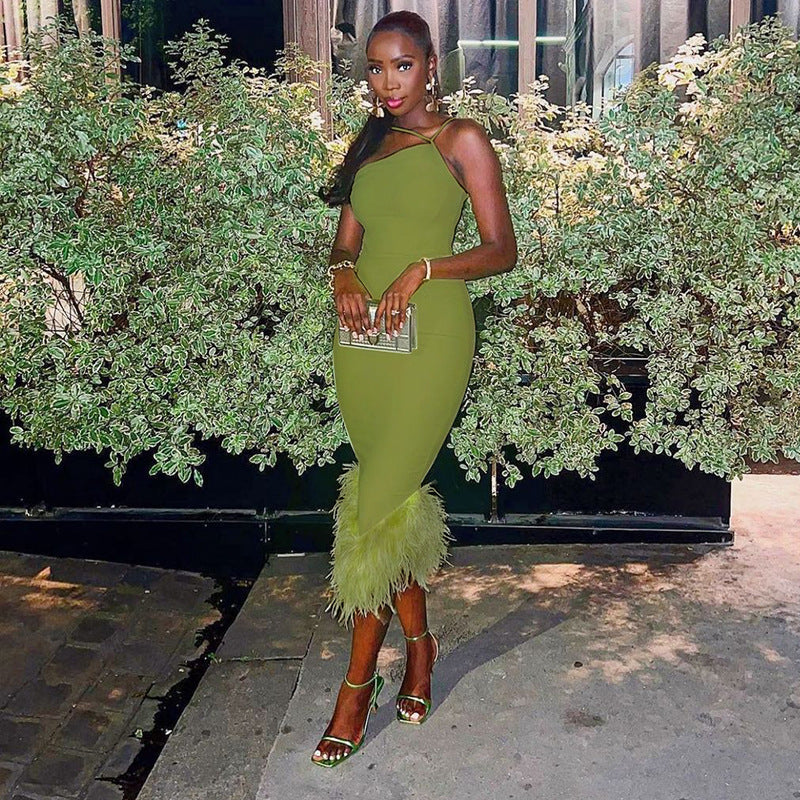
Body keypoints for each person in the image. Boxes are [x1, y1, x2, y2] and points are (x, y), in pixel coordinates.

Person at [313, 9, 517, 767]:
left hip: (432, 336)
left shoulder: (461, 140)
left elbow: (501, 250)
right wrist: (342, 275)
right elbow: (345, 243)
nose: (388, 81)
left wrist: (425, 268)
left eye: (402, 65)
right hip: (364, 341)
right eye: (375, 67)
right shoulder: (368, 144)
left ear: (432, 65)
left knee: (374, 504)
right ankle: (421, 646)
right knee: (388, 499)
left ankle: (355, 688)